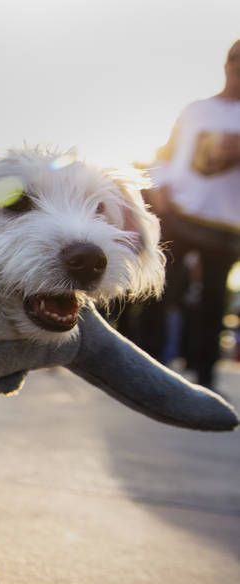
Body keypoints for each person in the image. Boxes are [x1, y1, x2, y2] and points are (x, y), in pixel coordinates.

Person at [136, 39, 240, 392]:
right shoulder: (196, 110)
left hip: (227, 224)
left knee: (213, 302)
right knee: (161, 290)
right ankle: (146, 365)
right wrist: (160, 184)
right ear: (227, 65)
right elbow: (166, 152)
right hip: (179, 212)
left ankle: (206, 376)